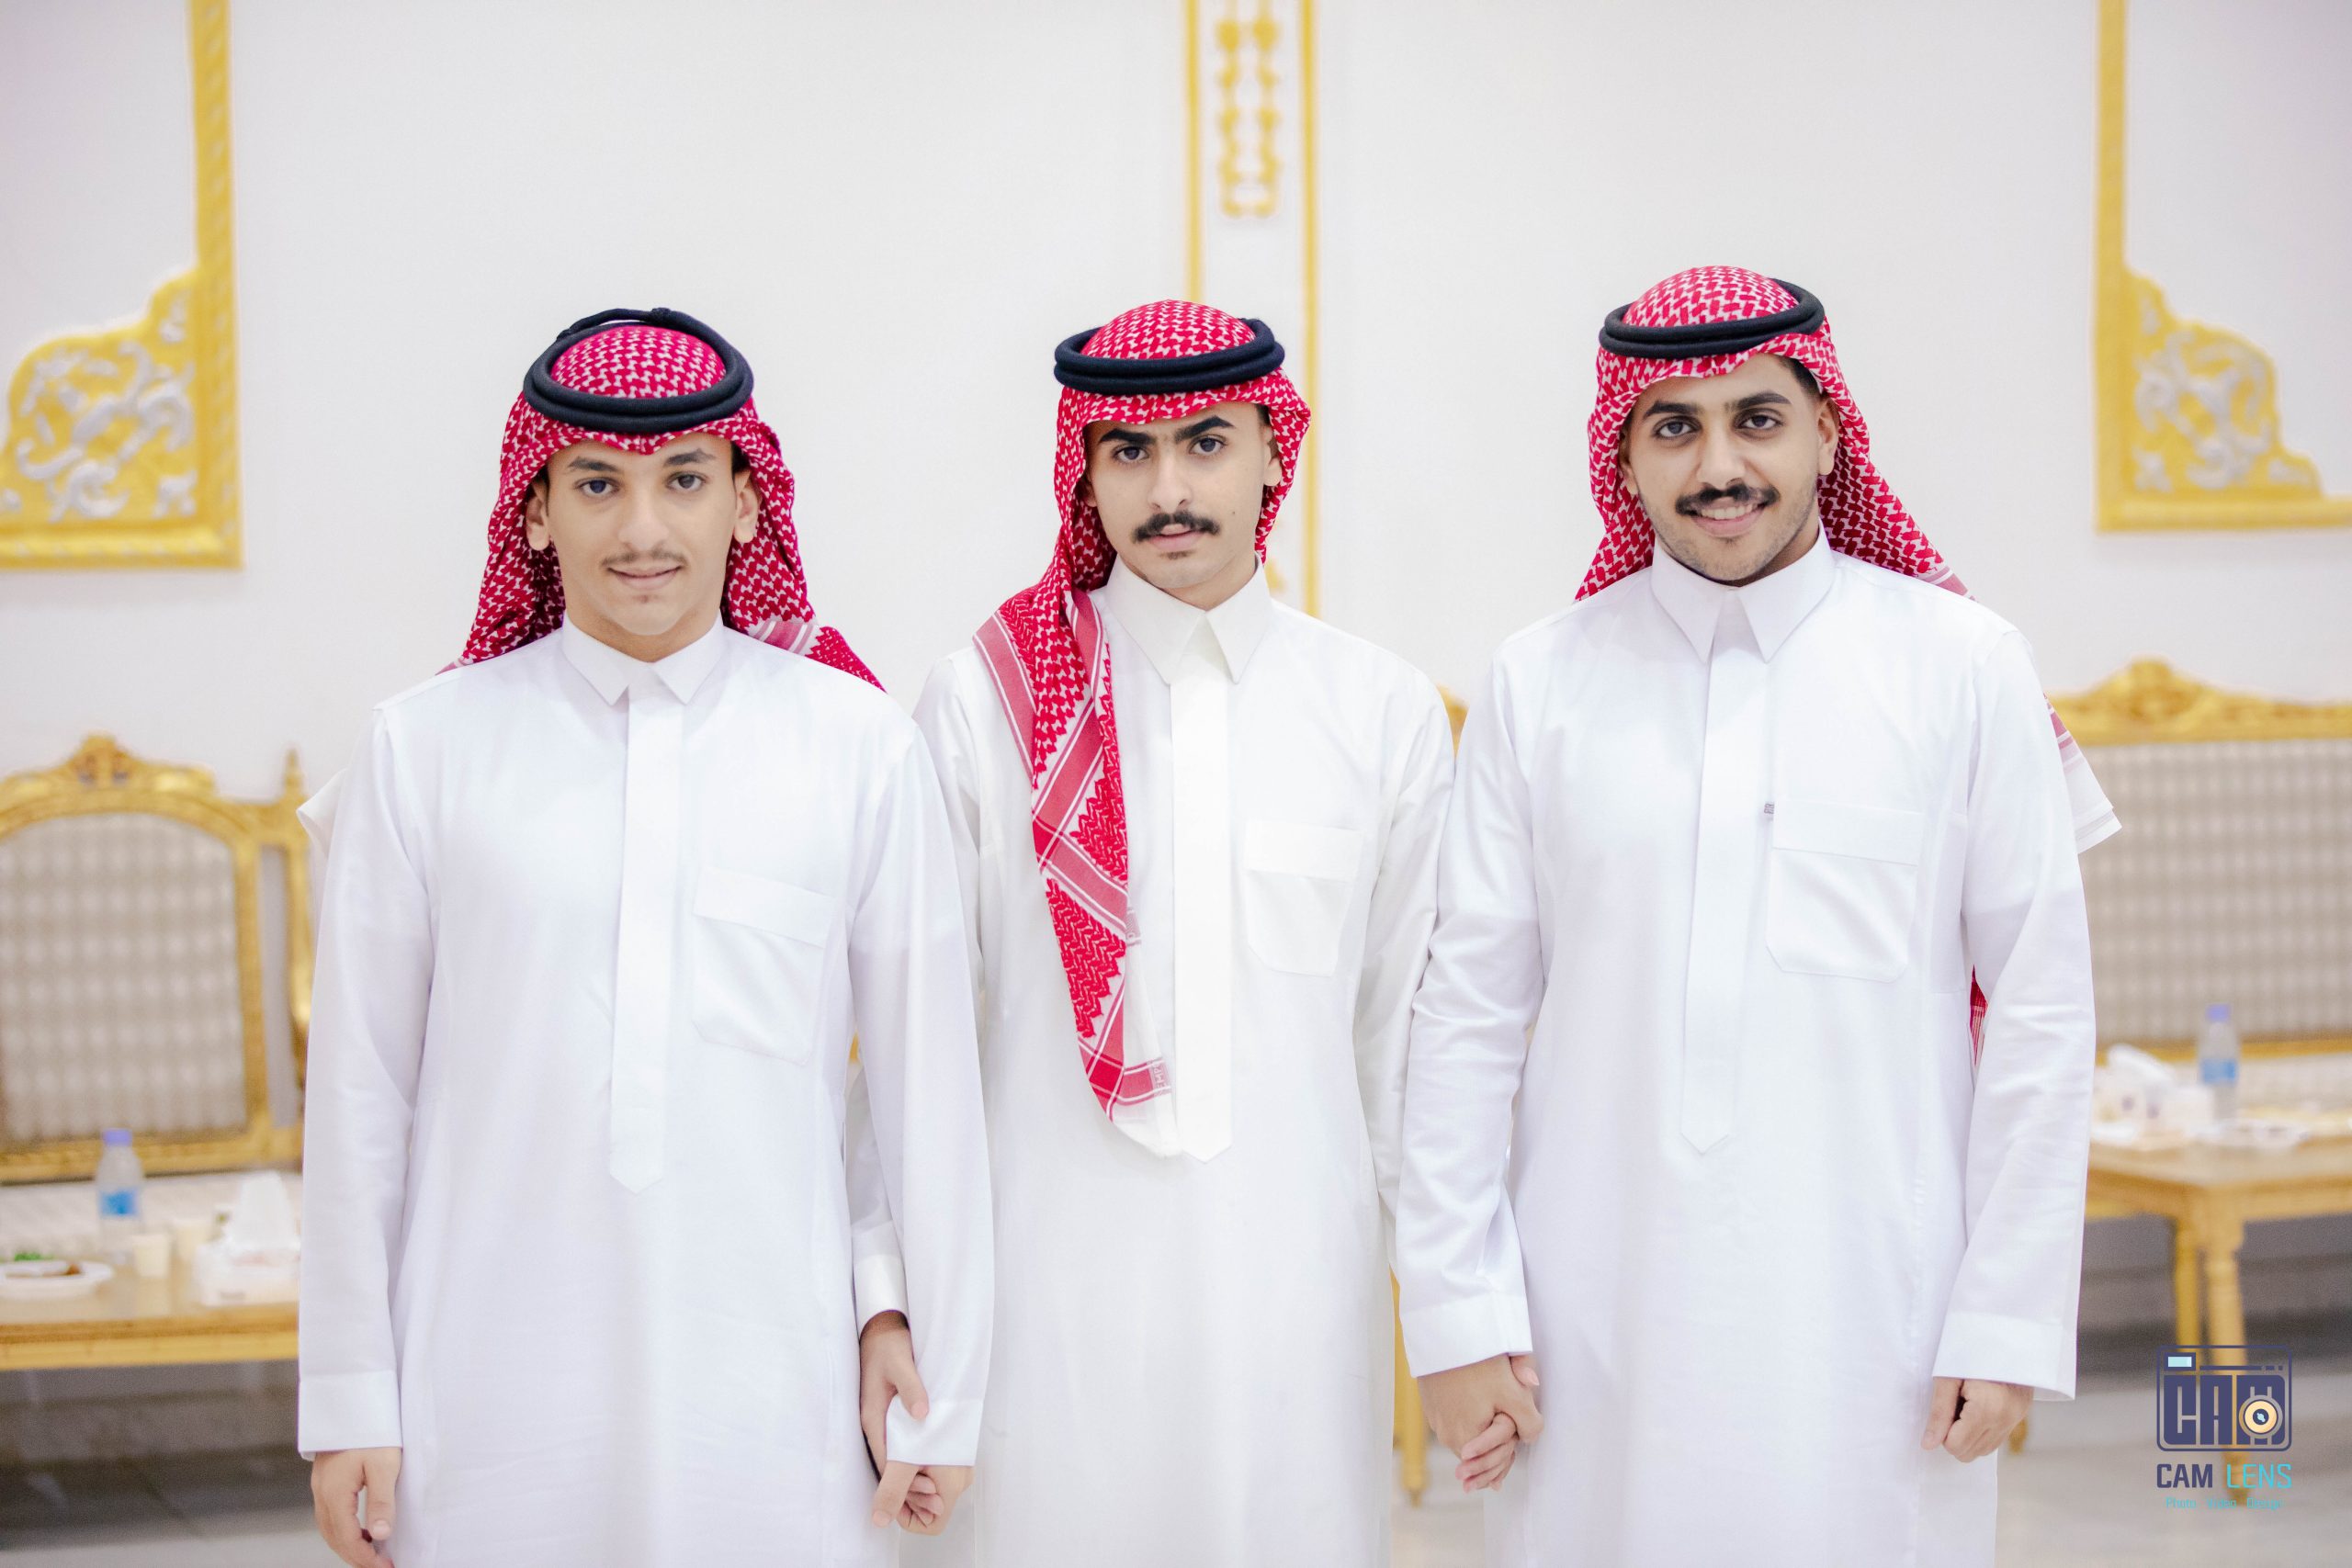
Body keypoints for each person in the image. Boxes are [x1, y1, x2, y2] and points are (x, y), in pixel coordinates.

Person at [1396, 267, 2115, 1566]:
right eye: (1674, 427)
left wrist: (2006, 1318)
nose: (1720, 466)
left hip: (1880, 1324)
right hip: (1590, 1323)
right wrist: (1455, 1314)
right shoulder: (1539, 680)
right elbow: (1465, 1018)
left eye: (1759, 420)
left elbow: (2042, 1014)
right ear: (1623, 456)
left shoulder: (1962, 666)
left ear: (1829, 432)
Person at [298, 308, 992, 1567]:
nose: (641, 530)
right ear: (535, 511)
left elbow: (920, 1100)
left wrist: (932, 1351)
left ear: (745, 502)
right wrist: (349, 1396)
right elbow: (359, 1102)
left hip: (772, 1393)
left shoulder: (858, 749)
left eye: (683, 479)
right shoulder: (424, 749)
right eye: (597, 484)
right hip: (486, 1394)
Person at [905, 300, 1470, 1565]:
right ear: (1086, 471)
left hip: (1298, 1314)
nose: (1169, 490)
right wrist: (896, 1298)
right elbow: (919, 1050)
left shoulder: (1376, 711)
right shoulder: (985, 705)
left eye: (1206, 443)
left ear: (1274, 450)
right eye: (1129, 451)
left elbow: (1408, 1060)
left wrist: (1451, 1312)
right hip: (1049, 1313)